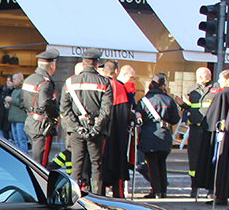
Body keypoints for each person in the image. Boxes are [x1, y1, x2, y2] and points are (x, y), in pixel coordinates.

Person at [60, 49, 112, 195]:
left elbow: (64, 108)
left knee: (77, 165)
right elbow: (106, 110)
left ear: (83, 63)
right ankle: (97, 197)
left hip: (77, 129)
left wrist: (77, 127)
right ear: (96, 64)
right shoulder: (104, 82)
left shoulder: (70, 82)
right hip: (96, 128)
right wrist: (96, 128)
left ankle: (72, 197)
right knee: (97, 165)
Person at [195, 70, 229, 208]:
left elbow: (212, 119)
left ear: (228, 80)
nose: (219, 81)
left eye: (221, 79)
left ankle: (220, 194)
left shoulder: (222, 95)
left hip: (221, 136)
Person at [135, 73, 180, 199]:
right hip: (165, 135)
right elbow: (175, 119)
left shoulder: (144, 100)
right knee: (162, 163)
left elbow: (139, 118)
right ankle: (163, 190)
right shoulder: (169, 100)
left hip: (150, 136)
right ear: (163, 85)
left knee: (152, 165)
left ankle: (156, 191)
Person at [177, 67, 214, 199]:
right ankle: (195, 187)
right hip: (195, 129)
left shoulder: (215, 88)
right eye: (198, 75)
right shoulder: (191, 89)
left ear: (209, 75)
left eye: (203, 75)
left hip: (210, 129)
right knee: (194, 159)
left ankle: (211, 189)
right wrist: (181, 104)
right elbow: (189, 107)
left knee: (210, 158)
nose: (200, 77)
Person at [98, 60, 133, 198]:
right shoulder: (118, 87)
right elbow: (124, 113)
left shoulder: (99, 84)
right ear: (116, 71)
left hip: (99, 132)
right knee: (117, 162)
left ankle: (98, 193)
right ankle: (118, 194)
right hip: (115, 134)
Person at [22, 47, 60, 167]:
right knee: (41, 164)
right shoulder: (45, 82)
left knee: (35, 159)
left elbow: (21, 102)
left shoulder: (29, 79)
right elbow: (45, 102)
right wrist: (54, 115)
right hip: (41, 125)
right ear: (52, 66)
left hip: (30, 121)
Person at [5, 72, 28, 153]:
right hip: (13, 118)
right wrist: (9, 105)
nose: (13, 81)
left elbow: (24, 102)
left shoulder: (24, 90)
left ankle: (24, 156)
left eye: (14, 79)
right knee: (15, 140)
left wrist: (12, 100)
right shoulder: (15, 90)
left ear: (20, 79)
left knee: (21, 139)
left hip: (20, 119)